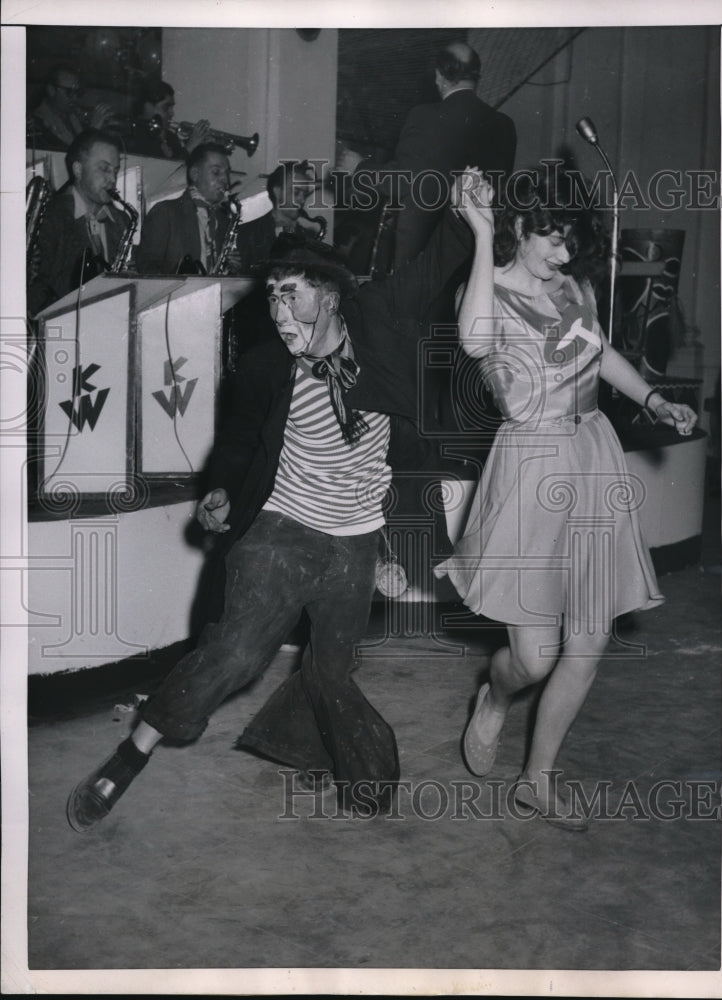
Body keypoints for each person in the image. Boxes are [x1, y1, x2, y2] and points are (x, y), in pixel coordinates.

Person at [65, 169, 486, 832]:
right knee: (234, 651)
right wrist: (223, 491)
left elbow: (437, 261)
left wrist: (467, 210)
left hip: (354, 538)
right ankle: (130, 755)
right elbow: (237, 438)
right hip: (282, 528)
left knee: (330, 672)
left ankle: (312, 749)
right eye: (272, 302)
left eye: (292, 299)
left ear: (333, 297)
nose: (280, 315)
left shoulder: (377, 324)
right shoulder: (267, 364)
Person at [434, 166, 697, 830]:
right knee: (533, 657)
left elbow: (599, 352)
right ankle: (494, 698)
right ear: (519, 229)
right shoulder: (484, 291)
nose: (561, 255)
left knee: (587, 643)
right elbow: (471, 341)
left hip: (590, 456)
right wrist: (480, 229)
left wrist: (653, 397)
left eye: (570, 242)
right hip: (531, 467)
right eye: (550, 240)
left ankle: (537, 779)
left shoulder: (573, 287)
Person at [339, 41, 517, 271]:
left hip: (427, 259)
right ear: (476, 77)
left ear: (438, 76)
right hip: (479, 259)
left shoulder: (425, 116)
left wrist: (359, 168)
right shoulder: (504, 126)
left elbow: (404, 181)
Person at [27, 129, 131, 317]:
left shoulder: (121, 220)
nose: (112, 179)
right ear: (78, 169)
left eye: (116, 171)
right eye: (104, 169)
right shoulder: (50, 217)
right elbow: (34, 289)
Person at [136, 142, 235, 274]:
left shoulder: (223, 220)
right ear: (194, 174)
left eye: (227, 173)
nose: (225, 180)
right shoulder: (165, 212)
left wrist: (232, 268)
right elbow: (146, 269)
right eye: (216, 172)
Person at [236, 160, 323, 270]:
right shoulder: (248, 232)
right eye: (296, 192)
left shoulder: (305, 237)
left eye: (304, 194)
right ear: (277, 192)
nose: (302, 199)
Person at [28, 64, 116, 151]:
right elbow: (71, 155)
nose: (75, 98)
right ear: (51, 90)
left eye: (77, 92)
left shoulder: (73, 116)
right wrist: (93, 130)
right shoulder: (38, 123)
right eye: (69, 92)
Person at [128, 78, 211, 160]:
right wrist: (190, 146)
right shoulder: (135, 136)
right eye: (166, 107)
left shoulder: (171, 137)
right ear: (148, 107)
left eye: (172, 107)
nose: (172, 113)